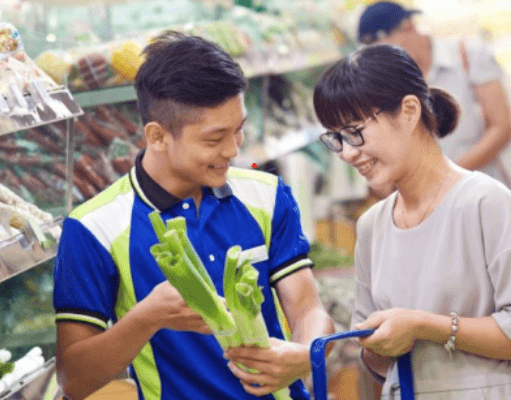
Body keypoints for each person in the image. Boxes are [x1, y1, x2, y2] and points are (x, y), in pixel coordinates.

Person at [53, 31, 334, 400]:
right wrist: (147, 317)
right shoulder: (93, 228)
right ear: (157, 136)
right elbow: (74, 380)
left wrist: (305, 353)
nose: (234, 150)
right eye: (215, 139)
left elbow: (308, 308)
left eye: (239, 129)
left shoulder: (268, 196)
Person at [313, 43, 511, 399]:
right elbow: (374, 361)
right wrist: (373, 345)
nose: (347, 152)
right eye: (336, 138)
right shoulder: (372, 225)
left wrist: (423, 325)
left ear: (408, 110)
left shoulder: (486, 202)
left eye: (355, 131)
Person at [358, 1, 511, 194]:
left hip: (489, 187)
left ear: (407, 25)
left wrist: (445, 177)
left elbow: (502, 127)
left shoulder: (467, 55)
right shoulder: (391, 82)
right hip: (435, 203)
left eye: (380, 44)